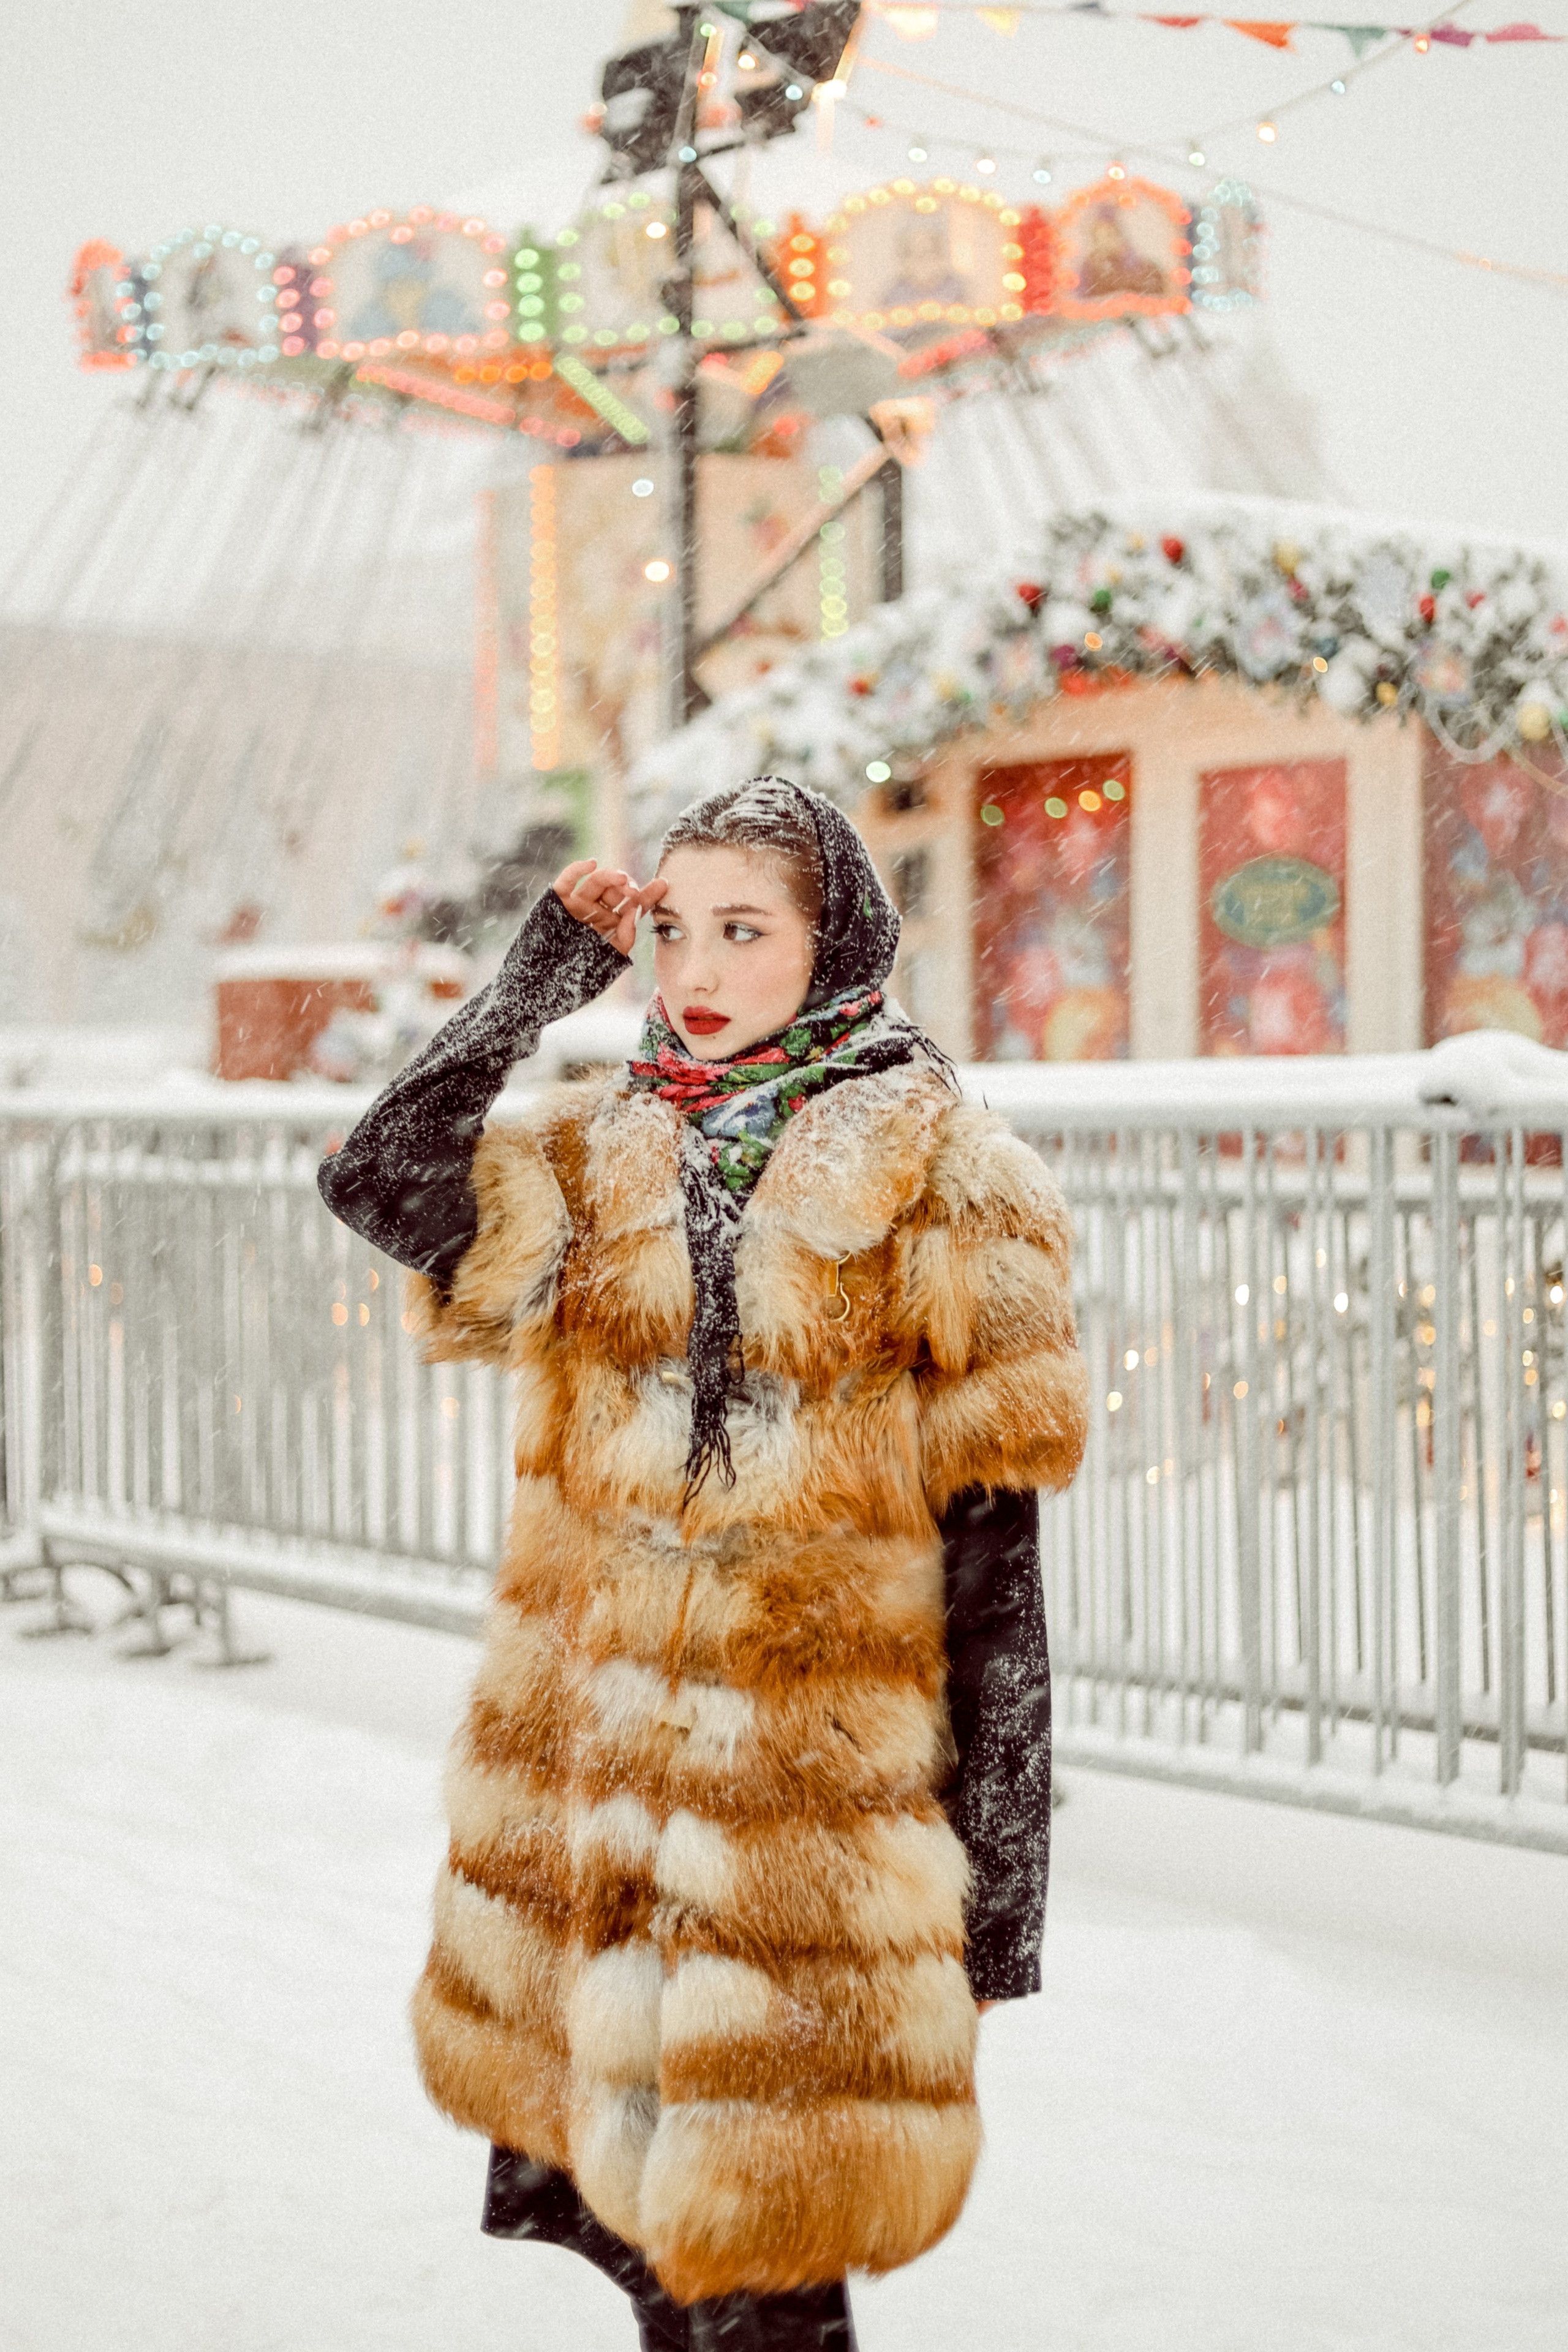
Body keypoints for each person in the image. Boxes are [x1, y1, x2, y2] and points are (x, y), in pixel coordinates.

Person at [318, 778, 1088, 2351]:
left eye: (744, 930)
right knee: (663, 2257)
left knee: (762, 2276)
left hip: (804, 1831)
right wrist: (535, 984)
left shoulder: (947, 1175)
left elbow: (993, 1570)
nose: (698, 972)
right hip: (595, 1803)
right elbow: (378, 1178)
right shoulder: (600, 1152)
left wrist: (997, 1893)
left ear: (834, 943)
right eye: (675, 931)